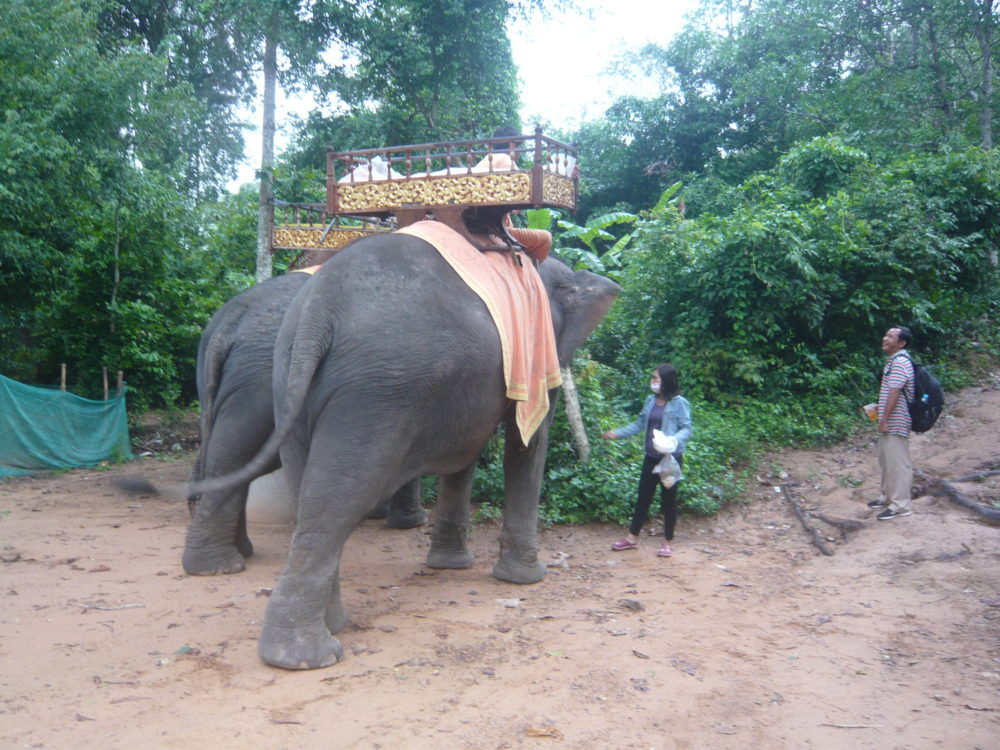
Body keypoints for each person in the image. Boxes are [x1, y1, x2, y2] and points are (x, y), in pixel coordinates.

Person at [602, 364, 692, 557]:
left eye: (655, 378)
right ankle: (631, 538)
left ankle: (667, 542)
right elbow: (638, 425)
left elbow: (687, 428)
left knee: (669, 501)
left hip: (670, 460)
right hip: (651, 458)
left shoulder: (679, 403)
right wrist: (616, 433)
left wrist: (673, 439)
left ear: (666, 381)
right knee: (643, 498)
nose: (652, 381)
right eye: (652, 378)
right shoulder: (650, 401)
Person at [867, 326, 916, 520]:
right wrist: (879, 408)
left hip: (896, 420)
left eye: (890, 336)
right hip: (890, 419)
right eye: (885, 334)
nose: (884, 338)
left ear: (901, 343)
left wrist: (884, 420)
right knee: (886, 459)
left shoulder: (901, 362)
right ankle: (887, 497)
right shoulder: (894, 361)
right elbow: (891, 392)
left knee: (898, 463)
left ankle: (901, 505)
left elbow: (895, 392)